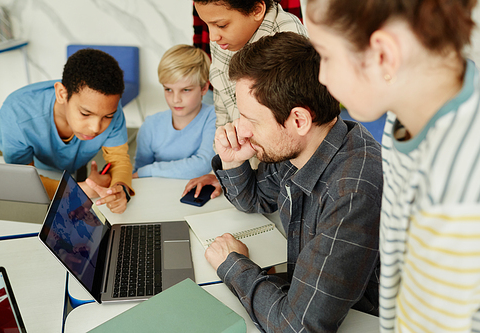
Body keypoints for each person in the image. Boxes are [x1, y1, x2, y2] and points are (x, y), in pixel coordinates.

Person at [305, 0, 480, 332]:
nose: (322, 76)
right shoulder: (410, 109)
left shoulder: (454, 194)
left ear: (382, 54)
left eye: (325, 56)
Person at [205, 31, 382, 332]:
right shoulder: (307, 145)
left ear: (299, 120)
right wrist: (234, 159)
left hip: (364, 321)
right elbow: (256, 200)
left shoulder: (351, 191)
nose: (242, 130)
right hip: (311, 299)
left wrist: (233, 265)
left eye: (253, 120)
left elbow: (297, 327)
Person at [183, 0, 308, 199]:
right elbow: (222, 103)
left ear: (257, 10)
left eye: (221, 25)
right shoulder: (226, 39)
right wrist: (226, 170)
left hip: (283, 179)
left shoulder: (289, 41)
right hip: (247, 171)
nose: (213, 37)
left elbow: (294, 137)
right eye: (207, 24)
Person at [0, 48, 133, 214]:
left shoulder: (110, 109)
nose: (96, 128)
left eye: (107, 116)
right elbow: (23, 180)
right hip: (11, 160)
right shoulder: (17, 112)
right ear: (61, 94)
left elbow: (119, 160)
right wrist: (77, 191)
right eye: (85, 113)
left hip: (71, 166)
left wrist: (120, 189)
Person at [132, 44, 216, 179]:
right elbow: (139, 172)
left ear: (204, 88)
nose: (176, 99)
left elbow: (204, 165)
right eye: (168, 90)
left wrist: (149, 171)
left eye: (186, 90)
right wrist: (144, 172)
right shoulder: (150, 125)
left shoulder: (214, 117)